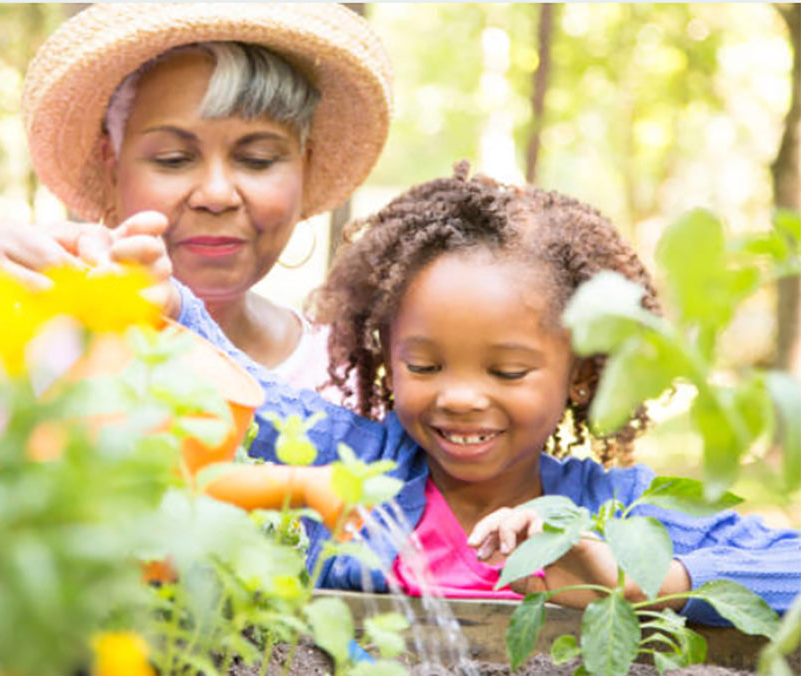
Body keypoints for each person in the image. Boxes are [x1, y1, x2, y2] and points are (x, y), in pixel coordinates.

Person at [168, 162, 801, 625]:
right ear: (387, 356)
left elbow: (789, 565)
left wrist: (642, 580)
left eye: (506, 373)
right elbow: (251, 395)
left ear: (579, 374)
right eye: (426, 365)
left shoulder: (616, 511)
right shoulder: (357, 462)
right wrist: (166, 304)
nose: (462, 397)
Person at [0, 3, 392, 414]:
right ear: (109, 162)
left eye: (257, 160)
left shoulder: (358, 380)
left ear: (305, 167)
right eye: (174, 159)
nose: (215, 193)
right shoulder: (22, 332)